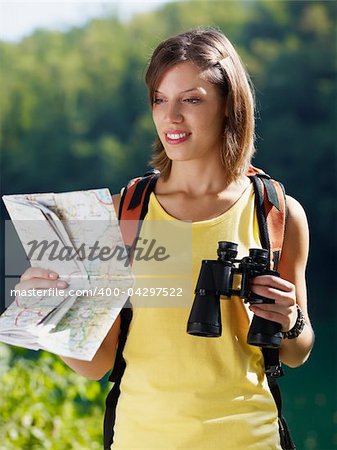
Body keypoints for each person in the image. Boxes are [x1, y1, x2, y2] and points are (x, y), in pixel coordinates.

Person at [16, 27, 314, 449]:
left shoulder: (276, 211)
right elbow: (98, 362)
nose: (171, 117)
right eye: (160, 99)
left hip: (251, 438)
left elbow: (297, 351)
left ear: (229, 105)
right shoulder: (123, 213)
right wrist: (48, 313)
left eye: (191, 99)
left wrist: (290, 321)